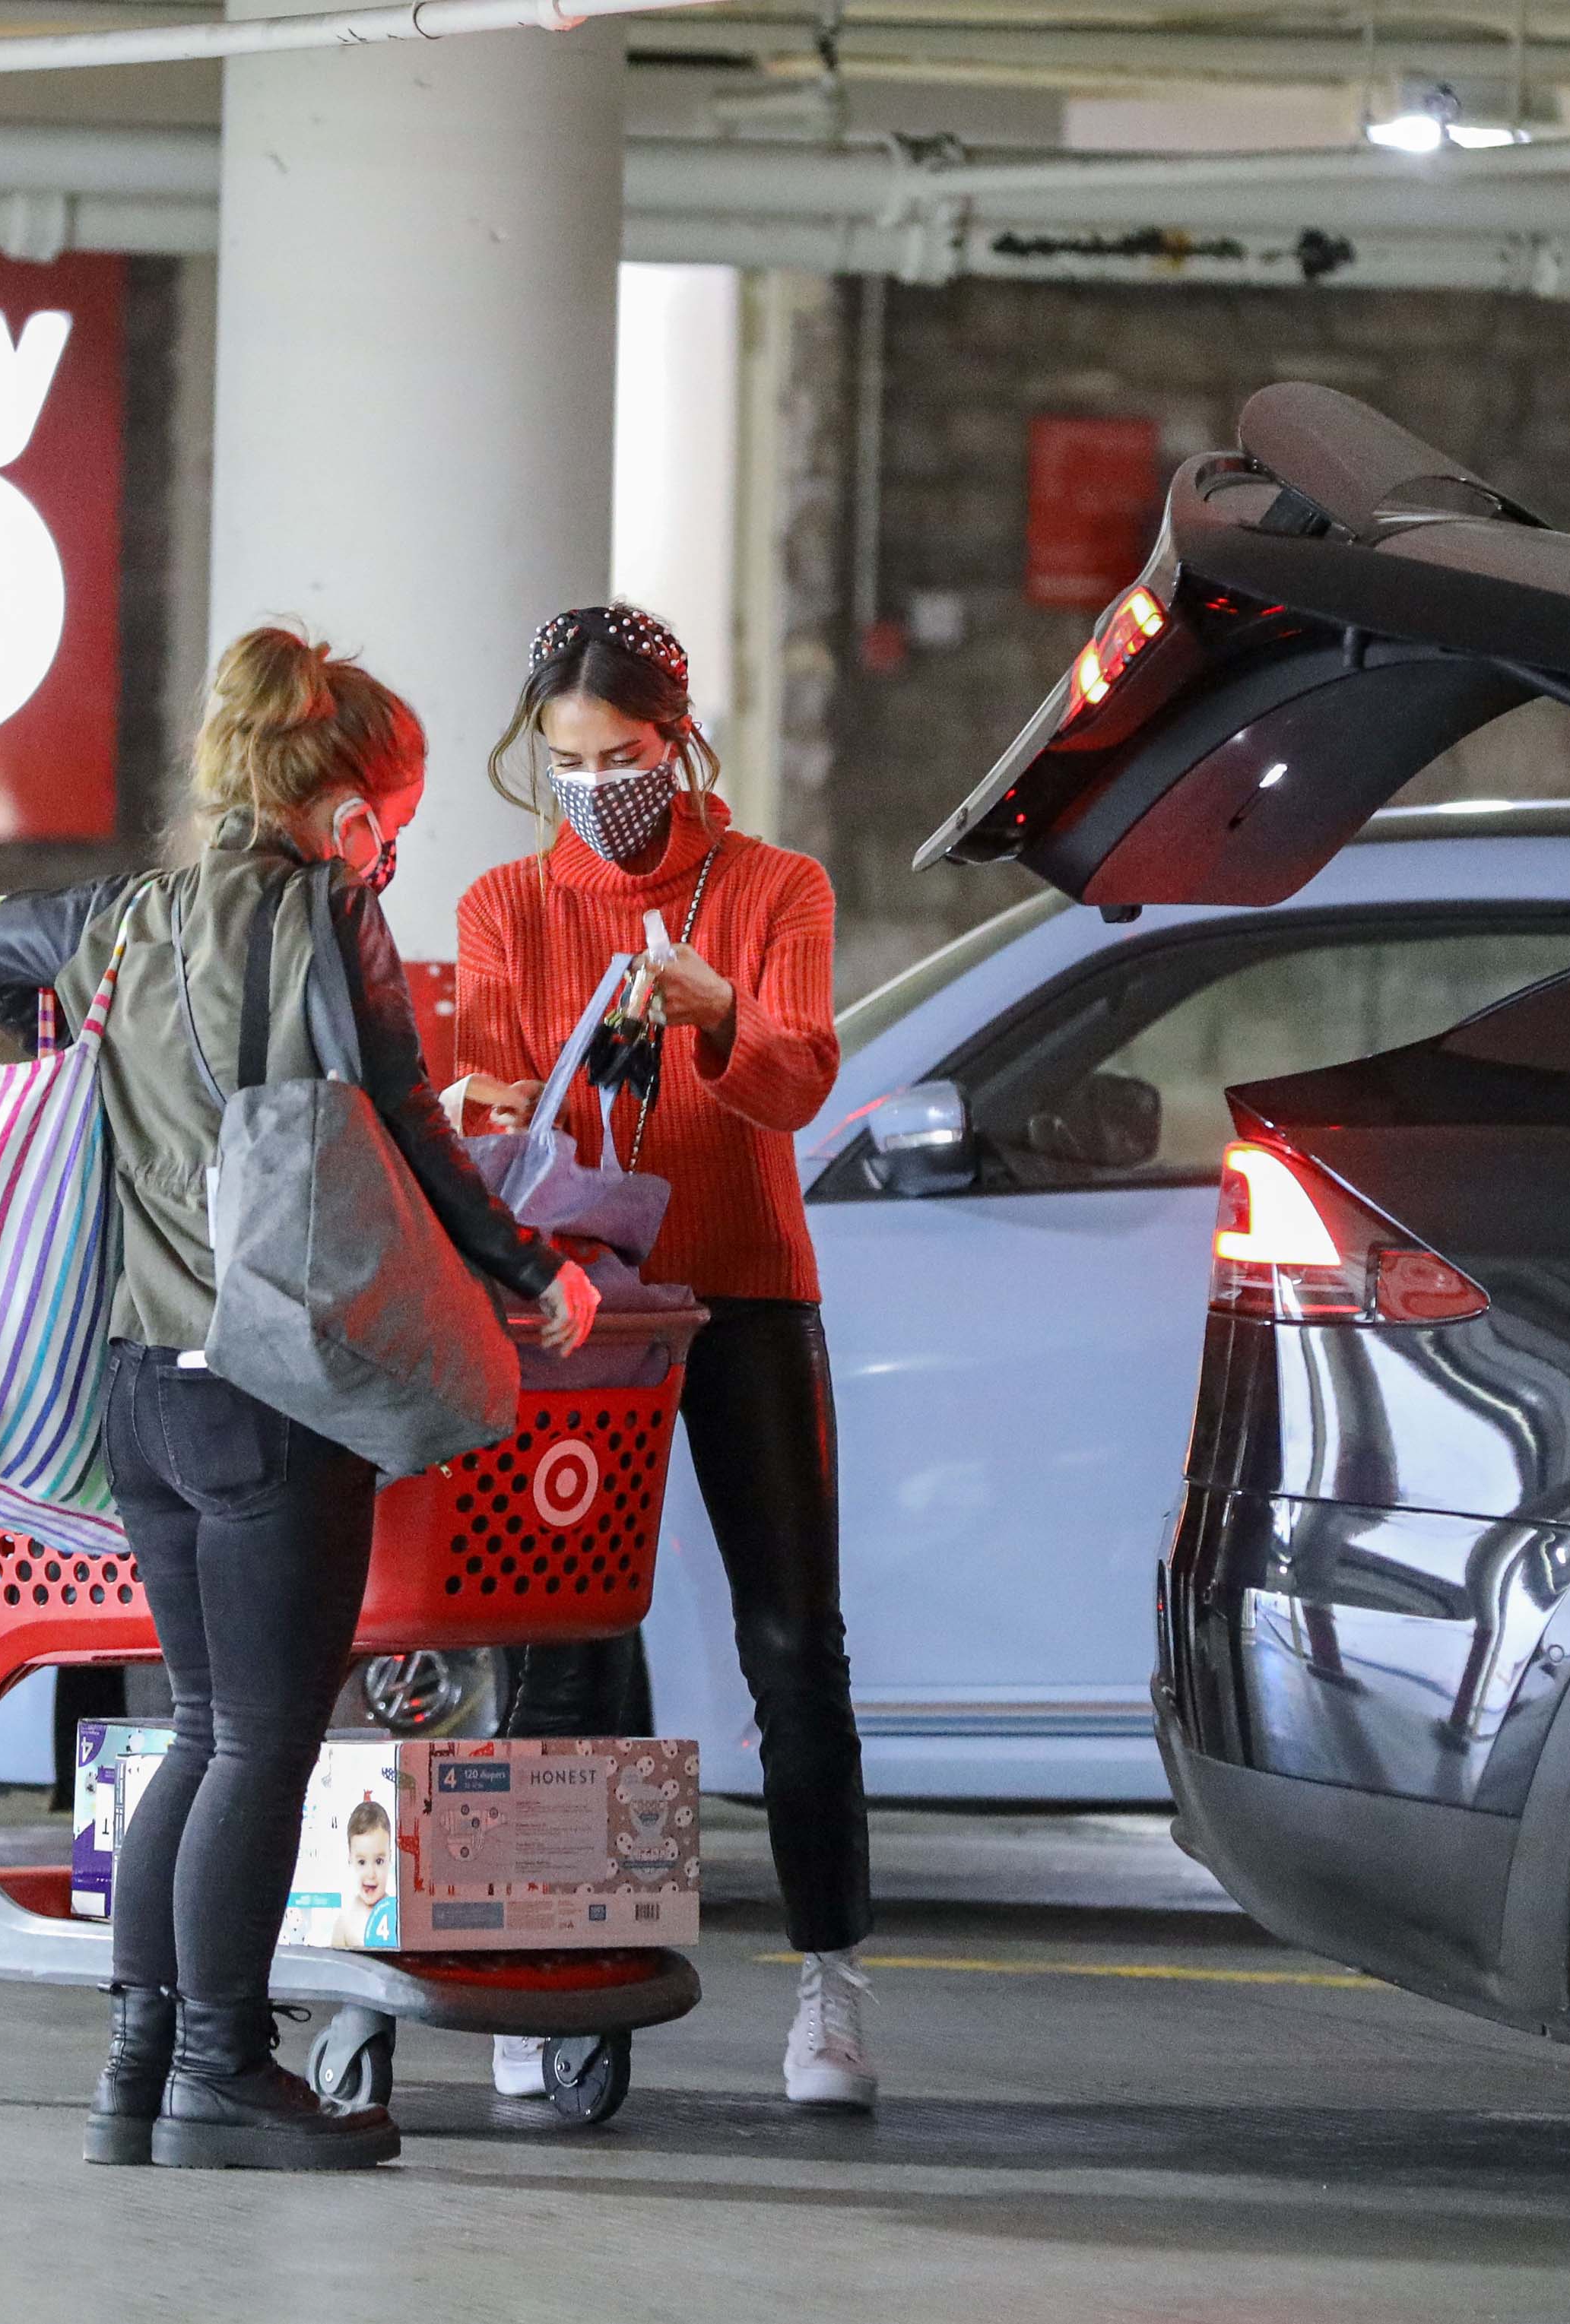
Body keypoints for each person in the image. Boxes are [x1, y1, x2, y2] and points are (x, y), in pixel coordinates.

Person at [0, 626, 600, 2173]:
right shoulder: (322, 911)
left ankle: (141, 2071)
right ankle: (226, 2075)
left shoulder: (121, 915)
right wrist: (529, 1273)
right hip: (262, 1382)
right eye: (406, 806)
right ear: (353, 804)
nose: (402, 840)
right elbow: (410, 1129)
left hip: (135, 1386)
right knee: (261, 1741)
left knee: (200, 1731)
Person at [450, 602, 877, 2110]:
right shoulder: (509, 901)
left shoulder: (772, 886)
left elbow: (799, 1081)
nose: (594, 786)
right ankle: (539, 1968)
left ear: (679, 740)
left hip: (748, 1292)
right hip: (584, 1314)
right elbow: (494, 1088)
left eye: (619, 757)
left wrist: (717, 1014)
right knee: (557, 1647)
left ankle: (830, 1985)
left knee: (790, 1644)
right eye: (565, 762)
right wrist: (487, 1101)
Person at [328, 1800, 398, 1950]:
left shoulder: (398, 1916)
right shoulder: (344, 1923)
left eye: (379, 1861)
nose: (371, 1874)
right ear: (350, 1859)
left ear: (390, 1858)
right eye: (361, 1862)